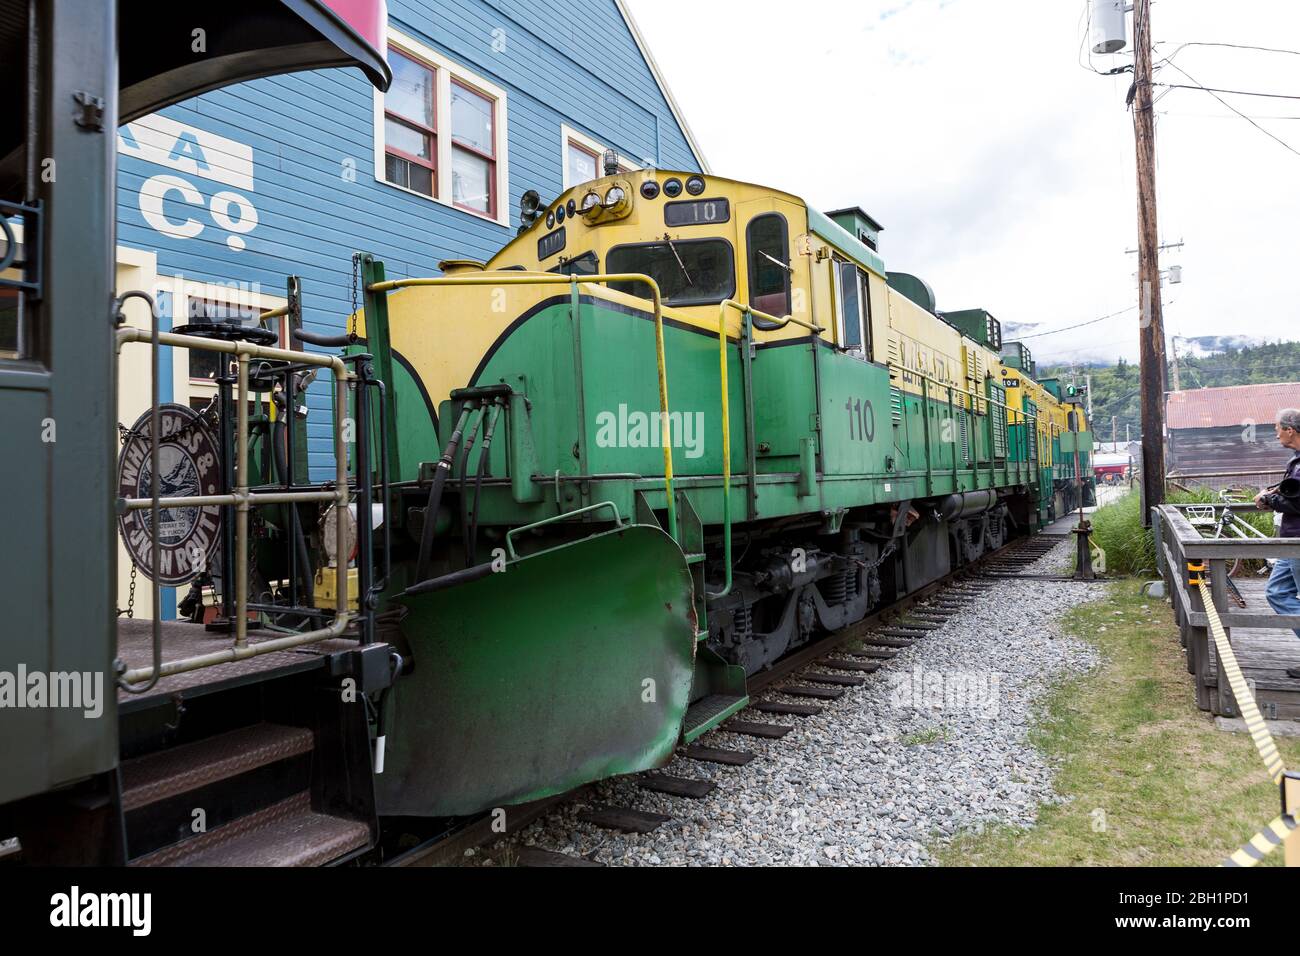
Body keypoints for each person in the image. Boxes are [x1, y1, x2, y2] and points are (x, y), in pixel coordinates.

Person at [1256, 407, 1300, 676]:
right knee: (1276, 592)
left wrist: (1269, 500)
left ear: (1290, 430)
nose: (1276, 436)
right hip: (1290, 540)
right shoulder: (1296, 460)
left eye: (1277, 430)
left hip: (1298, 540)